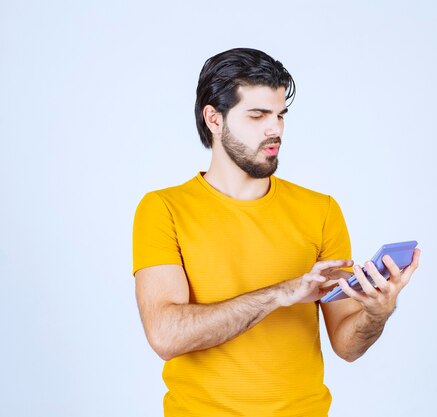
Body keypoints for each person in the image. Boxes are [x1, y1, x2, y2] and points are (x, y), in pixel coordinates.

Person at [132, 47, 421, 417]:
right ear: (214, 119)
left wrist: (376, 312)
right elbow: (166, 335)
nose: (275, 129)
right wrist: (282, 293)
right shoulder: (163, 209)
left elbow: (347, 346)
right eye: (258, 115)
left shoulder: (321, 210)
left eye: (280, 115)